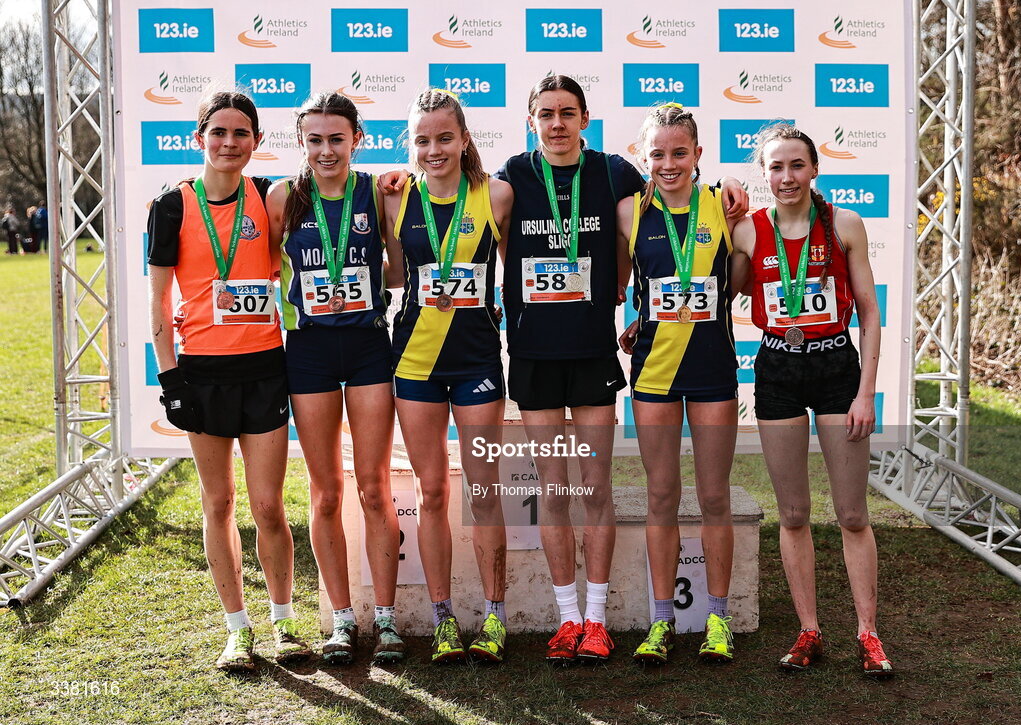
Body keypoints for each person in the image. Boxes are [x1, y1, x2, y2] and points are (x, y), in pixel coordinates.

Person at [494, 77, 748, 664]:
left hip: (593, 353)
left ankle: (600, 620)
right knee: (556, 491)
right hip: (533, 353)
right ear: (532, 120)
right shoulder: (513, 173)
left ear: (586, 118)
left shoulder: (617, 176)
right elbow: (459, 195)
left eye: (568, 113)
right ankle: (566, 619)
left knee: (597, 489)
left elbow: (687, 248)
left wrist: (735, 186)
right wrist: (393, 182)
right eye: (546, 114)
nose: (558, 123)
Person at [147, 90, 310, 672]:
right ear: (200, 137)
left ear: (257, 142)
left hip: (265, 367)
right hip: (202, 374)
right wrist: (169, 375)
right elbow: (158, 300)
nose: (229, 143)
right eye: (219, 132)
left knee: (268, 506)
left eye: (242, 133)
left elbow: (338, 184)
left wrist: (394, 181)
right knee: (218, 501)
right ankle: (236, 631)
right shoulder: (171, 205)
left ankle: (285, 624)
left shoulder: (270, 197)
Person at [731, 122, 893, 678]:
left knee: (851, 513)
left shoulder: (843, 224)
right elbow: (712, 295)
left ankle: (869, 635)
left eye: (796, 165)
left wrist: (866, 390)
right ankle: (808, 631)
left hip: (836, 366)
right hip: (776, 365)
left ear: (814, 169)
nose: (786, 177)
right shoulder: (748, 232)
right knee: (794, 513)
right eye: (775, 167)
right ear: (764, 174)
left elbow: (869, 312)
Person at [266, 91, 404, 666]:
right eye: (315, 139)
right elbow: (258, 268)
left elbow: (397, 269)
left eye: (337, 139)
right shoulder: (283, 197)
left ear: (357, 140)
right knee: (325, 493)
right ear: (302, 142)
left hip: (370, 346)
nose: (326, 150)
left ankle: (389, 622)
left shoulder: (377, 190)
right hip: (310, 353)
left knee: (374, 487)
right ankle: (343, 620)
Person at [382, 88, 514, 663]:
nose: (433, 149)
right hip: (413, 361)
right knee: (431, 491)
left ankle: (495, 617)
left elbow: (521, 278)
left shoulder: (498, 196)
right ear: (409, 145)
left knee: (483, 491)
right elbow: (390, 273)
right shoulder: (394, 199)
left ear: (464, 139)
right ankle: (441, 619)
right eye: (421, 139)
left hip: (478, 360)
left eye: (443, 137)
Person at [616, 104, 742, 665]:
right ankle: (661, 621)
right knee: (662, 495)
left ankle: (719, 619)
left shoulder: (727, 205)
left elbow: (738, 279)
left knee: (714, 496)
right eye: (658, 154)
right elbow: (625, 282)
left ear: (699, 154)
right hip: (655, 368)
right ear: (644, 157)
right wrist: (639, 316)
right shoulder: (629, 211)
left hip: (714, 364)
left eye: (679, 152)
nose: (669, 164)